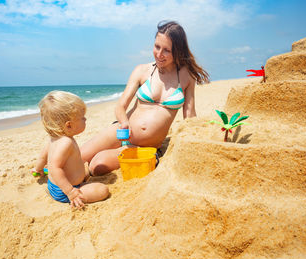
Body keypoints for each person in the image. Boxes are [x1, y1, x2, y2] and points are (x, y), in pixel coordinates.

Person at [81, 21, 210, 176]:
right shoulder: (142, 70)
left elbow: (189, 117)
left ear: (178, 51)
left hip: (144, 148)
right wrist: (124, 123)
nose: (159, 54)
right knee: (77, 158)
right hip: (121, 131)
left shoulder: (186, 76)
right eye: (157, 47)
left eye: (166, 50)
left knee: (96, 166)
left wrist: (199, 136)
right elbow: (120, 106)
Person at [33, 91, 109, 208]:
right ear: (69, 125)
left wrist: (38, 170)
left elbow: (42, 157)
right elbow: (54, 168)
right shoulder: (66, 142)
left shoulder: (54, 138)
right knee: (102, 190)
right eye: (82, 118)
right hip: (64, 190)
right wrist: (70, 192)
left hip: (55, 185)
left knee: (86, 169)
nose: (85, 119)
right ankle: (73, 195)